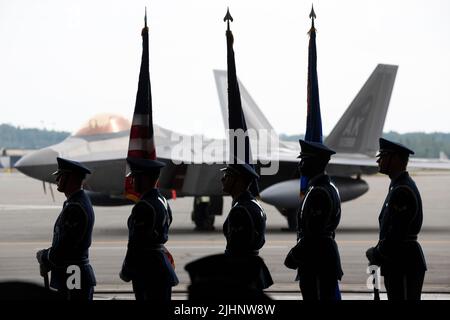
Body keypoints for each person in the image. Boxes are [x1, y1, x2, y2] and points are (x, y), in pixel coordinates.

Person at [366, 138, 427, 300]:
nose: (379, 160)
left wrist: (377, 253)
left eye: (383, 155)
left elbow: (397, 234)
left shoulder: (402, 191)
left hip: (404, 262)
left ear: (396, 159)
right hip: (398, 262)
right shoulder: (398, 186)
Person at [284, 140, 343, 300]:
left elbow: (314, 234)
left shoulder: (319, 193)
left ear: (315, 163)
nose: (300, 165)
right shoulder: (325, 188)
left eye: (304, 160)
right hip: (321, 256)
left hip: (317, 260)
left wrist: (295, 254)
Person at [36, 157, 96, 300]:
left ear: (71, 178)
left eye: (61, 176)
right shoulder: (75, 202)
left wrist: (44, 256)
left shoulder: (75, 207)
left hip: (73, 275)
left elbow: (64, 249)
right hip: (73, 273)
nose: (57, 180)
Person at [119, 157, 178, 301]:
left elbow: (135, 244)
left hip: (148, 271)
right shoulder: (162, 200)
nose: (131, 181)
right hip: (161, 265)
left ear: (144, 179)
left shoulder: (144, 206)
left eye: (134, 177)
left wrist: (126, 270)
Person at [220, 163, 273, 290]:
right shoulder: (252, 204)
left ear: (238, 181)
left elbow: (237, 249)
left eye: (228, 175)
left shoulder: (240, 210)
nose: (223, 179)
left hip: (241, 272)